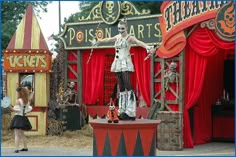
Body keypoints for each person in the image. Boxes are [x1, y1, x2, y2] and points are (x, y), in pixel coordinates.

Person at [91, 18, 155, 120]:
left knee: (127, 84)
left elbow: (139, 42)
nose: (120, 30)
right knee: (121, 87)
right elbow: (108, 39)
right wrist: (98, 41)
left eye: (122, 28)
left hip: (125, 62)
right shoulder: (117, 37)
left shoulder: (130, 38)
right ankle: (122, 110)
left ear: (126, 28)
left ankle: (131, 111)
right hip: (117, 63)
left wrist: (148, 47)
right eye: (119, 28)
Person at [9, 86, 32, 153]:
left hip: (18, 118)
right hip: (23, 118)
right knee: (22, 134)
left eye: (17, 93)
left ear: (20, 93)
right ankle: (25, 147)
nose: (16, 94)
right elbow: (28, 110)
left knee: (17, 134)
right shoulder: (27, 101)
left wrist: (9, 106)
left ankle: (16, 149)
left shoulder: (18, 101)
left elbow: (15, 110)